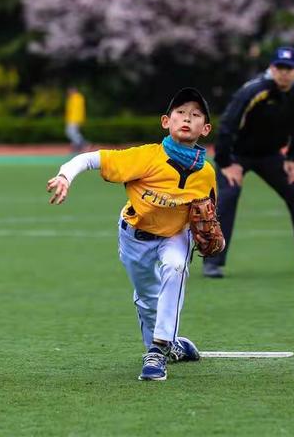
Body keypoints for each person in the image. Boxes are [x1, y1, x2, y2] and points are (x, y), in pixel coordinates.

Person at [47, 88, 219, 381]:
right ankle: (172, 345)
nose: (186, 119)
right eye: (180, 113)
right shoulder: (146, 157)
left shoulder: (207, 174)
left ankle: (158, 350)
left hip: (174, 236)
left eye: (195, 114)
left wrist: (213, 235)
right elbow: (90, 159)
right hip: (134, 236)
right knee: (147, 299)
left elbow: (208, 214)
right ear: (166, 121)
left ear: (206, 128)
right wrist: (65, 175)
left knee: (176, 268)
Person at [203, 46, 294, 278]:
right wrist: (226, 163)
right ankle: (213, 262)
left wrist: (293, 158)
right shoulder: (254, 92)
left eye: (289, 69)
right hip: (236, 155)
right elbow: (227, 126)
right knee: (228, 196)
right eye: (280, 68)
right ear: (271, 68)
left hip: (270, 156)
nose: (284, 73)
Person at [64, 87, 88, 152]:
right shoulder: (74, 98)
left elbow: (78, 110)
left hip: (74, 119)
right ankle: (78, 144)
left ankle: (81, 144)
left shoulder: (77, 98)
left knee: (71, 132)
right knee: (72, 133)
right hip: (73, 119)